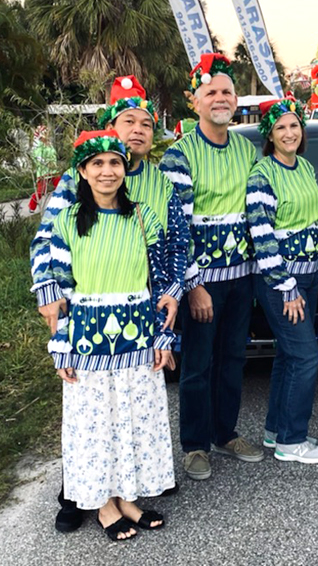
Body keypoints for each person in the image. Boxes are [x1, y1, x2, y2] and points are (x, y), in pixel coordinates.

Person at [29, 75, 189, 532]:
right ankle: (84, 497)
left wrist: (172, 299)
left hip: (138, 321)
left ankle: (126, 493)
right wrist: (50, 299)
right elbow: (48, 247)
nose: (136, 129)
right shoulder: (71, 200)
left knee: (134, 414)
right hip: (88, 325)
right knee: (92, 417)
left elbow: (171, 249)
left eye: (145, 122)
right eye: (127, 120)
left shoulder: (151, 195)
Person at [160, 53, 264, 481]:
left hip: (243, 277)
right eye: (211, 92)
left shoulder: (245, 147)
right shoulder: (179, 156)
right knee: (198, 364)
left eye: (226, 91)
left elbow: (258, 213)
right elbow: (176, 228)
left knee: (234, 358)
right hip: (203, 283)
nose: (220, 98)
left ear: (235, 99)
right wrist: (194, 285)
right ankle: (195, 445)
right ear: (195, 101)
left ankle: (225, 433)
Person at [246, 97, 318, 464]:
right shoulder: (262, 175)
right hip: (282, 280)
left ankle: (274, 431)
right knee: (305, 356)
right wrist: (287, 286)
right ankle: (292, 441)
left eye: (294, 125)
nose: (289, 132)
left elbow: (315, 222)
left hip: (310, 275)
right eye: (280, 127)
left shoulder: (304, 168)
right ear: (270, 134)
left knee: (288, 355)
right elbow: (261, 234)